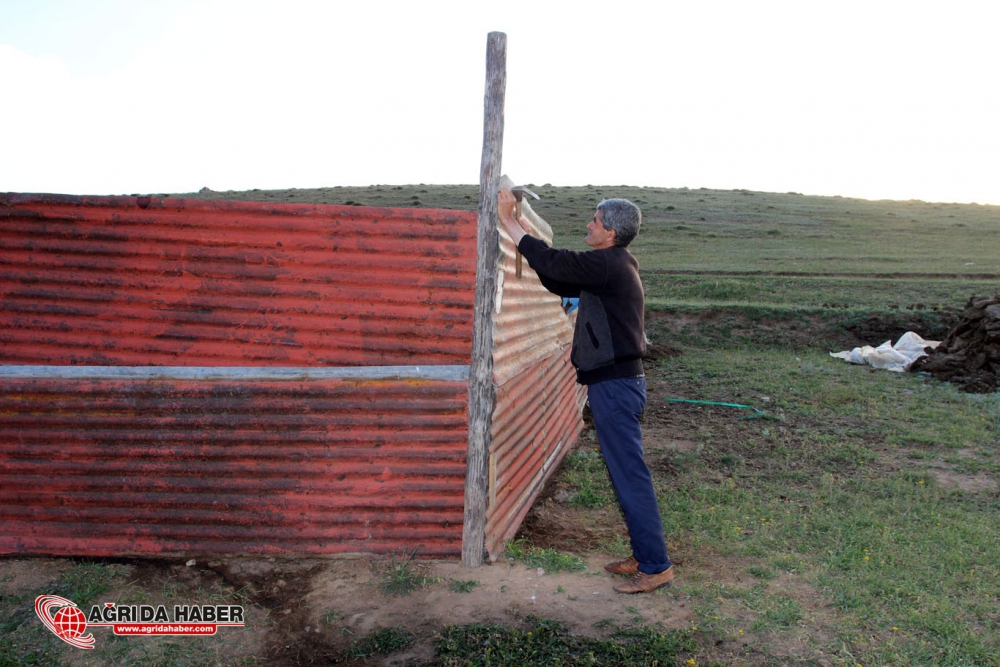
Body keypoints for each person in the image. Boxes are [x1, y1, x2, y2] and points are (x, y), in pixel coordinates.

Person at [497, 189, 674, 594]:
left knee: (630, 477)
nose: (588, 226)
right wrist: (522, 227)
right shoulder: (612, 264)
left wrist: (508, 220)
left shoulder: (609, 263)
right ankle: (644, 554)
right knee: (623, 475)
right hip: (614, 384)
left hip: (615, 385)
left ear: (609, 232)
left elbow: (556, 262)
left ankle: (656, 564)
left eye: (594, 221)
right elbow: (556, 275)